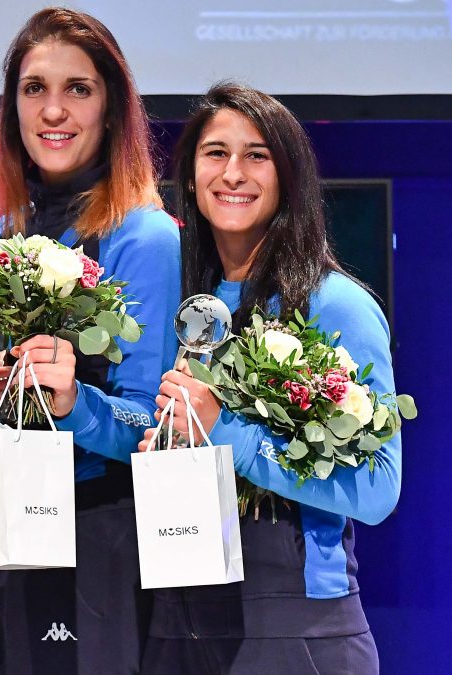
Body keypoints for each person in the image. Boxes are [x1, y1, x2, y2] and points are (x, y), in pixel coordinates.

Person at [139, 82, 400, 674]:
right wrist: (76, 406)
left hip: (296, 627)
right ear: (190, 173)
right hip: (179, 617)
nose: (234, 173)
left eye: (257, 155)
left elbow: (380, 490)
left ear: (288, 176)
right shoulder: (182, 302)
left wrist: (227, 431)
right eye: (215, 153)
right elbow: (148, 419)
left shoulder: (335, 305)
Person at [0, 8, 181, 675]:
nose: (53, 109)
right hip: (6, 529)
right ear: (12, 110)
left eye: (77, 88)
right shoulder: (2, 234)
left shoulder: (145, 235)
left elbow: (149, 426)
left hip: (101, 542)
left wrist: (73, 401)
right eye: (34, 89)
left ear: (111, 109)